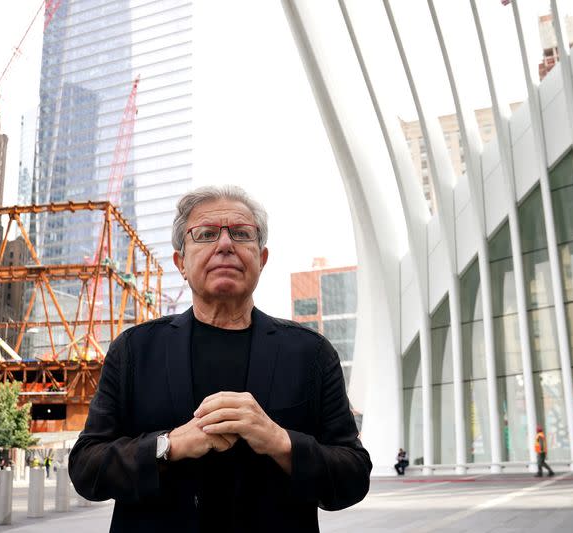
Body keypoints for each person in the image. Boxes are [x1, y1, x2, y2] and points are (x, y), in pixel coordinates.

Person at [69, 185, 371, 532]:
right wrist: (168, 446)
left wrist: (280, 441)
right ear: (181, 263)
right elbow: (86, 468)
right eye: (206, 234)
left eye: (242, 234)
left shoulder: (311, 353)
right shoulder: (135, 350)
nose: (225, 244)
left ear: (262, 258)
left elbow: (353, 476)